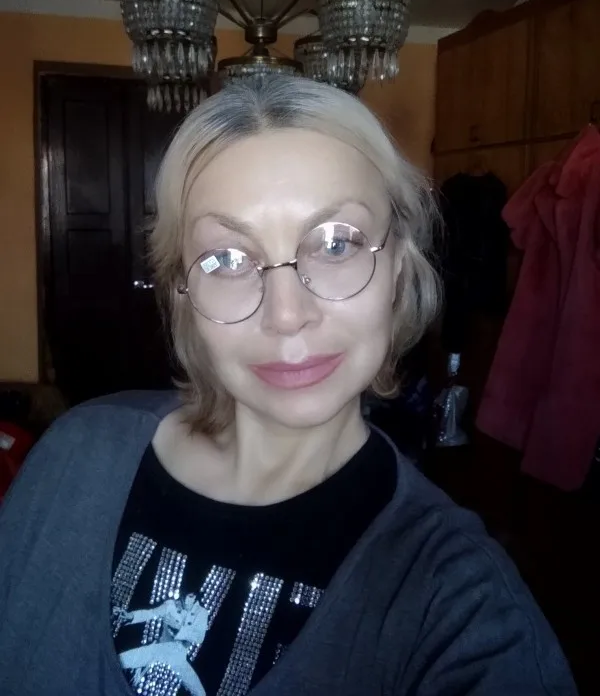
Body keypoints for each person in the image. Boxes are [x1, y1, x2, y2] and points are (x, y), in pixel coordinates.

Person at [0, 78, 576, 696]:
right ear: (183, 293)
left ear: (398, 267)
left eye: (336, 244)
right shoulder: (74, 455)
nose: (286, 315)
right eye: (226, 259)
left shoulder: (459, 600)